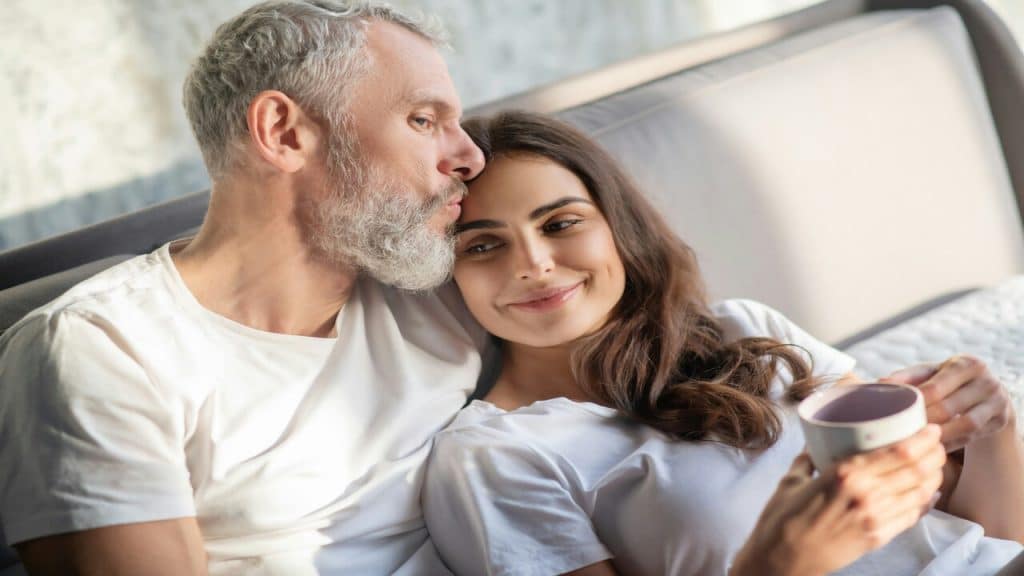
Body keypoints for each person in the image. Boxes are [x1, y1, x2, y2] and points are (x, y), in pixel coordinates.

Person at [423, 111, 1024, 576]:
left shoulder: (747, 331)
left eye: (561, 224)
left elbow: (985, 539)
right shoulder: (497, 455)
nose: (533, 264)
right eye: (482, 245)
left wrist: (992, 428)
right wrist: (781, 561)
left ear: (617, 228)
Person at [0, 1, 487, 574]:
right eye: (423, 121)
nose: (471, 157)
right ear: (282, 132)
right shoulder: (103, 349)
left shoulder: (450, 280)